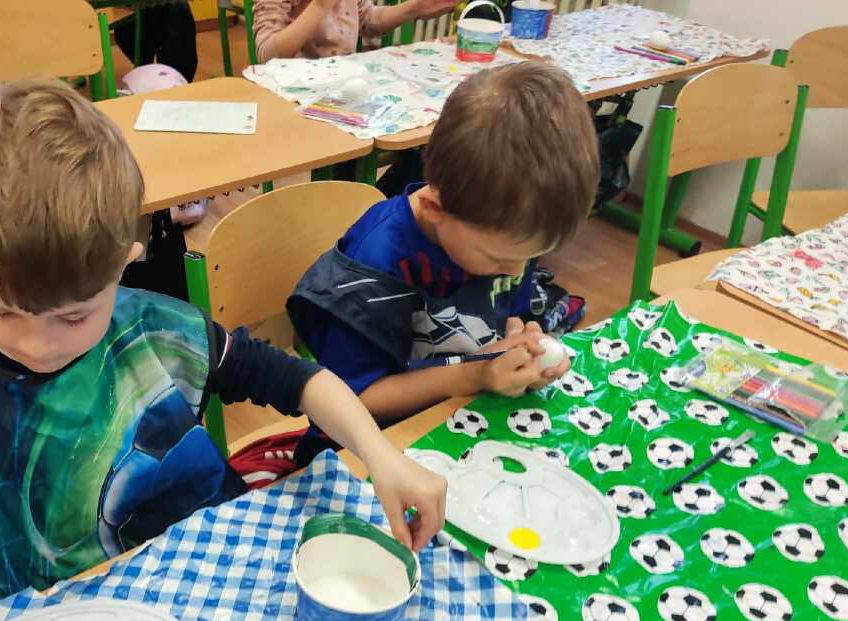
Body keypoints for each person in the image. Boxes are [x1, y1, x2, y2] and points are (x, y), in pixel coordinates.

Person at [0, 80, 447, 621]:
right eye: (1, 311)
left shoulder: (152, 329)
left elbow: (299, 379)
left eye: (74, 316)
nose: (38, 344)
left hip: (203, 598)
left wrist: (381, 456)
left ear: (124, 264)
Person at [287, 62, 599, 425]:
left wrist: (522, 339)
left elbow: (508, 314)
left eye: (531, 257)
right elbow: (354, 400)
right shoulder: (373, 266)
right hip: (374, 441)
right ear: (435, 208)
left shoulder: (499, 237)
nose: (516, 270)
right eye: (498, 259)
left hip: (465, 413)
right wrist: (474, 375)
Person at [253, 0, 459, 62]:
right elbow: (266, 55)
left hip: (342, 84)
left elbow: (366, 20)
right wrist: (319, 7)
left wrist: (414, 7)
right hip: (291, 93)